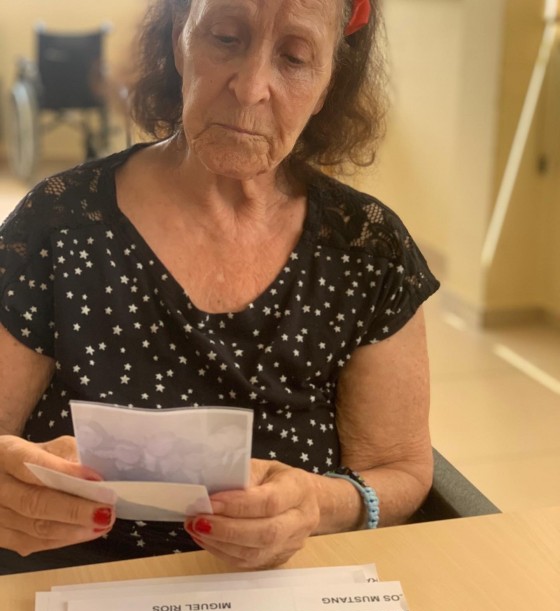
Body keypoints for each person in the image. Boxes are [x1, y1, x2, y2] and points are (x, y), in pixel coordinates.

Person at [0, 0, 439, 574]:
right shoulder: (57, 225)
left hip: (283, 588)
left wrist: (319, 503)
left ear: (328, 84)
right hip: (68, 584)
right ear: (178, 40)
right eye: (226, 37)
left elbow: (401, 470)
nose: (251, 87)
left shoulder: (367, 251)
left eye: (295, 58)